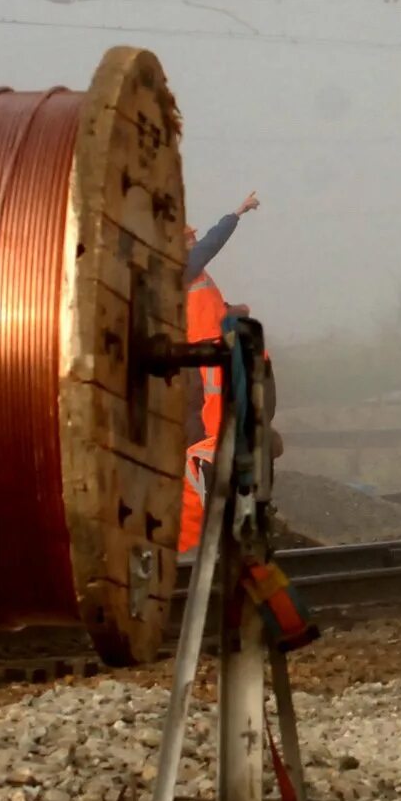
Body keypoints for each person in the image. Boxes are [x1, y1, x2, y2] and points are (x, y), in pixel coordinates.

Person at [181, 191, 260, 555]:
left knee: (223, 422)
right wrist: (236, 214)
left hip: (215, 349)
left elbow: (206, 304)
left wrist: (231, 310)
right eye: (188, 237)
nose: (194, 240)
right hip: (205, 357)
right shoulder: (183, 264)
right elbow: (211, 244)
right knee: (212, 429)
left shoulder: (191, 271)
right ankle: (208, 476)